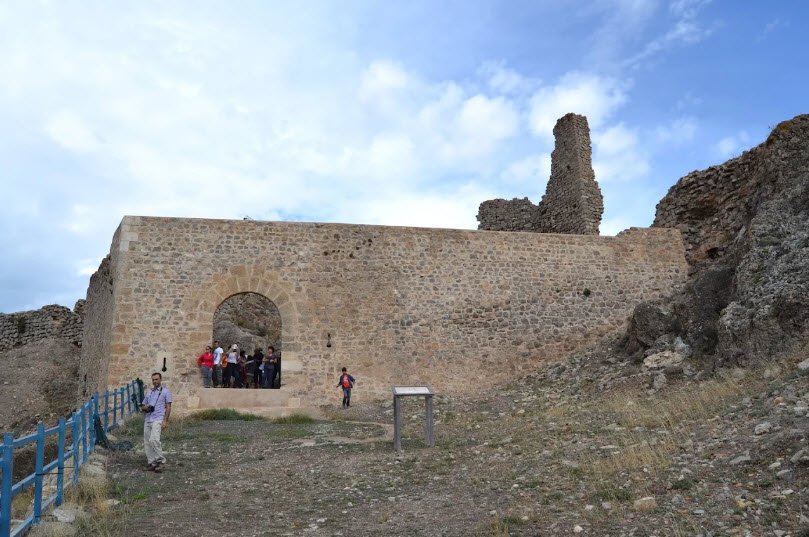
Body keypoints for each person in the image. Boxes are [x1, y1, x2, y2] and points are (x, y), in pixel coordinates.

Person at [141, 372, 172, 472]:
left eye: (156, 379)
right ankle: (152, 463)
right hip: (148, 418)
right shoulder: (149, 392)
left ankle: (161, 461)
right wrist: (144, 407)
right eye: (153, 379)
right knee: (147, 442)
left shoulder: (166, 392)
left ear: (160, 379)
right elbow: (143, 405)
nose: (155, 381)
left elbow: (168, 406)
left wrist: (165, 421)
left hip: (158, 418)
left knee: (154, 440)